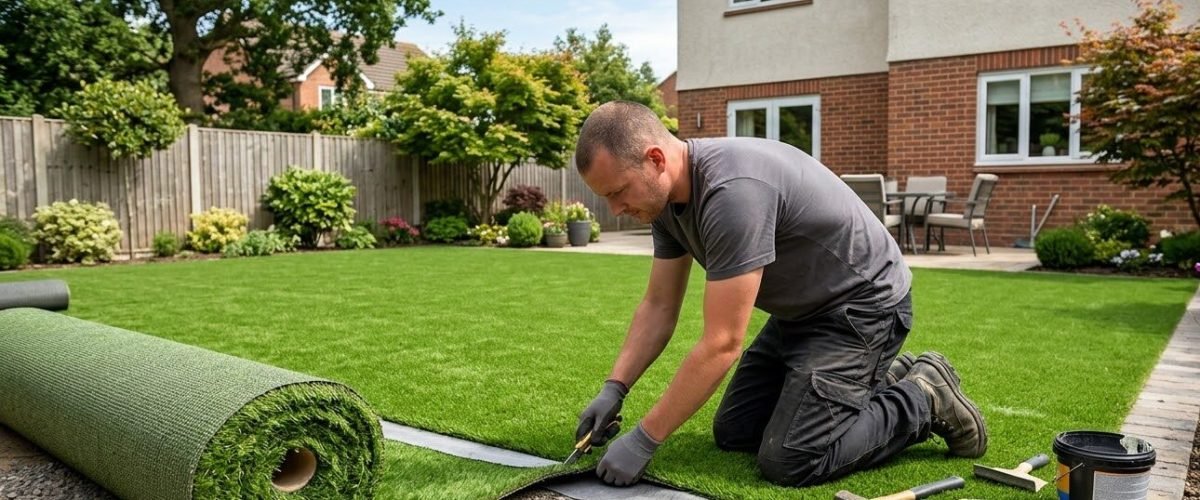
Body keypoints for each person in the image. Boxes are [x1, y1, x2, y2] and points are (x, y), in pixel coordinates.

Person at [571, 101, 988, 488]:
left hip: (862, 308)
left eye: (618, 192)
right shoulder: (664, 205)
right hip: (801, 313)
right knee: (736, 432)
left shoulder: (731, 193)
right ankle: (880, 379)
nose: (616, 209)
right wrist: (615, 388)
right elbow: (659, 306)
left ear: (656, 160)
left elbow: (722, 344)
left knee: (792, 459)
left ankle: (923, 396)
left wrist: (645, 439)